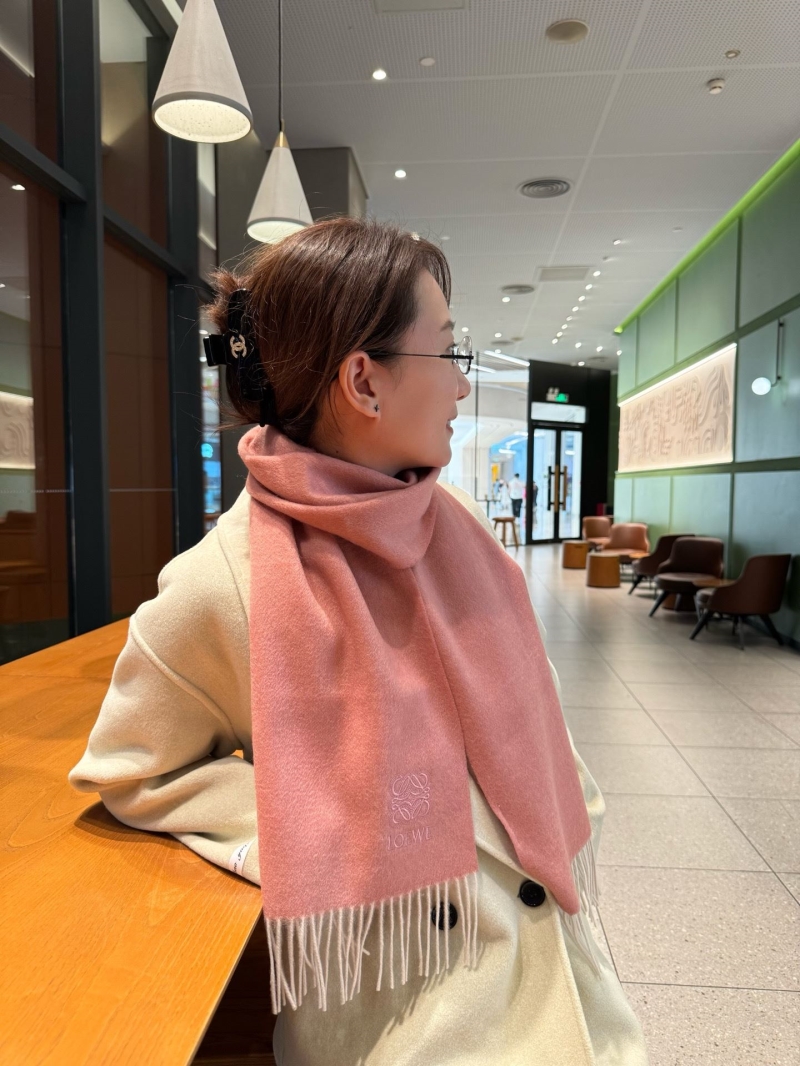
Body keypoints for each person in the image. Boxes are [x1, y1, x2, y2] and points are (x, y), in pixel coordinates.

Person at [67, 218, 648, 1065]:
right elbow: (130, 769)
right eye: (448, 351)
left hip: (557, 969)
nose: (461, 384)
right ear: (364, 382)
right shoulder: (224, 580)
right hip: (413, 1015)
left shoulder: (457, 527)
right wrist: (321, 821)